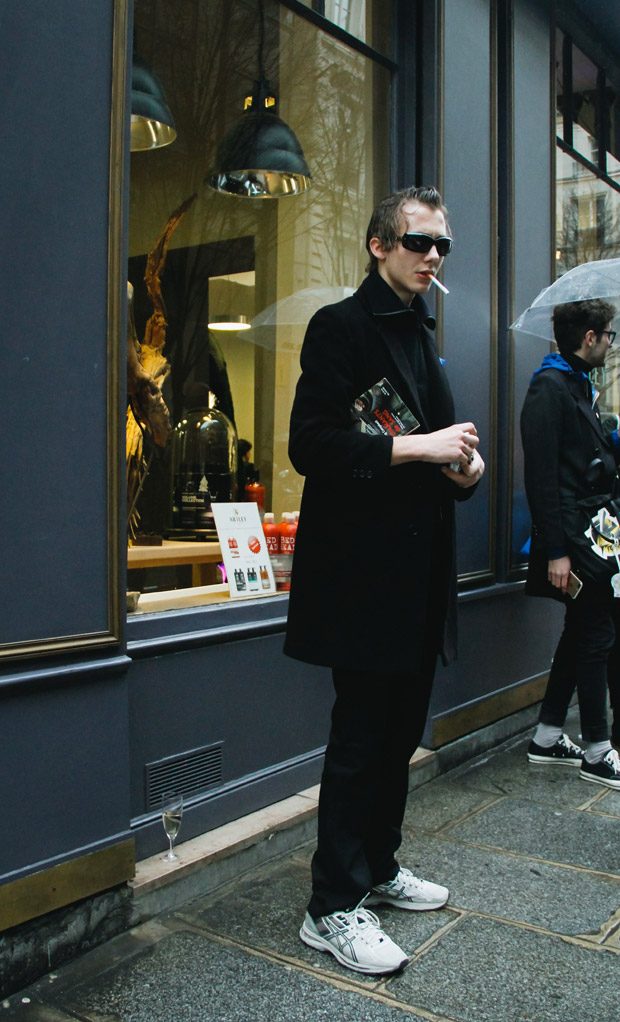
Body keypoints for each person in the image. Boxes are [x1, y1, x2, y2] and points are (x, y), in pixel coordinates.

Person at [284, 186, 485, 975]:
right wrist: (423, 450)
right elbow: (311, 445)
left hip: (417, 580)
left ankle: (378, 866)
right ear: (379, 245)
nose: (432, 257)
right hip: (361, 581)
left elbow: (446, 455)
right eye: (417, 243)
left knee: (399, 737)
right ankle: (332, 906)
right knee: (361, 740)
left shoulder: (421, 337)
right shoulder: (340, 327)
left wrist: (465, 468)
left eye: (441, 246)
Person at [521, 299, 620, 788]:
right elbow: (541, 478)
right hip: (574, 540)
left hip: (592, 533)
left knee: (581, 632)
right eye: (609, 335)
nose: (610, 343)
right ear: (590, 338)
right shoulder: (549, 387)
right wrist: (556, 551)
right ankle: (599, 751)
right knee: (596, 632)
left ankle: (547, 736)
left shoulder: (578, 385)